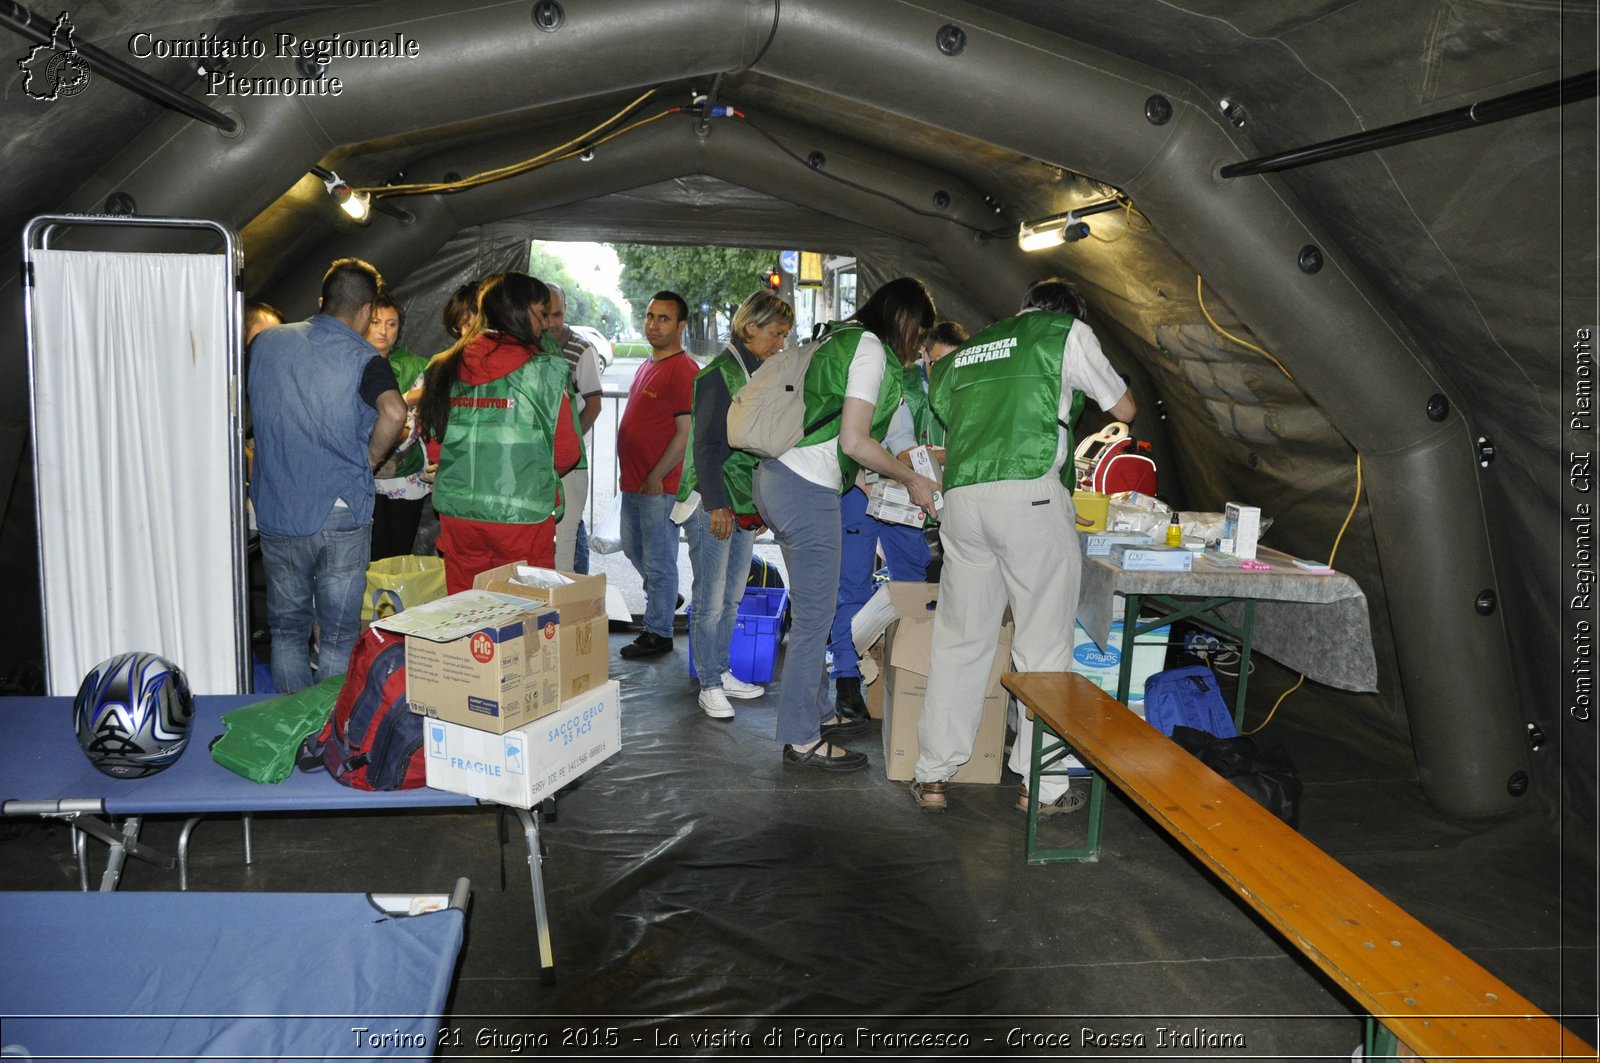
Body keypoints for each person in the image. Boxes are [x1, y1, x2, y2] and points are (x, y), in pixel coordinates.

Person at [912, 279, 1136, 813]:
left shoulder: (972, 348)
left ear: (1023, 309)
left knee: (962, 638)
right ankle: (1042, 785)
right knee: (1043, 646)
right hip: (1031, 493)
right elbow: (1123, 409)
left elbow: (948, 410)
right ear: (1069, 313)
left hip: (963, 498)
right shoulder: (1064, 333)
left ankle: (934, 776)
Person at [752, 277, 941, 772]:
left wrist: (862, 482)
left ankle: (812, 716)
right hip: (804, 490)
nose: (917, 344)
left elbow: (830, 429)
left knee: (814, 609)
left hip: (781, 477)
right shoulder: (871, 349)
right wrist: (912, 480)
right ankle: (801, 738)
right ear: (904, 319)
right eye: (918, 332)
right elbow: (856, 439)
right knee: (815, 619)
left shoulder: (837, 336)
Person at [248, 258, 407, 693]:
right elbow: (394, 411)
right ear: (366, 310)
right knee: (336, 638)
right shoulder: (364, 359)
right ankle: (326, 735)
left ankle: (292, 731)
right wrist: (370, 458)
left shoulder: (265, 343)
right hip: (340, 512)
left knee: (287, 633)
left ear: (323, 301)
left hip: (279, 510)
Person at [827, 319, 970, 719]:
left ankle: (904, 661)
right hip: (863, 487)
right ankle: (845, 674)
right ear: (922, 352)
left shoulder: (966, 388)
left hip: (909, 500)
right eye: (937, 360)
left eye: (953, 362)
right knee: (851, 581)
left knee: (911, 579)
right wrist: (939, 456)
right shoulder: (894, 379)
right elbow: (904, 450)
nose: (944, 369)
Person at [418, 272, 581, 593]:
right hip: (522, 519)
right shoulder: (544, 370)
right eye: (541, 312)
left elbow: (436, 449)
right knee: (523, 617)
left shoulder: (443, 366)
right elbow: (567, 453)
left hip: (459, 517)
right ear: (519, 312)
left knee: (467, 611)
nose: (546, 323)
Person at [676, 290, 793, 719]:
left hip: (742, 501)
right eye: (776, 334)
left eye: (784, 335)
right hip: (717, 502)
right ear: (750, 329)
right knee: (710, 598)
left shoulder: (757, 372)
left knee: (733, 596)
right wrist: (718, 504)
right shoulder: (718, 375)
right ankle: (709, 682)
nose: (780, 343)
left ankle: (720, 670)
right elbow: (705, 447)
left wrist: (756, 506)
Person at [615, 291, 698, 660]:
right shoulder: (648, 363)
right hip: (634, 482)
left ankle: (658, 632)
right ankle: (665, 596)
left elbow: (685, 434)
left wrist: (656, 476)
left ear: (681, 326)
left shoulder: (684, 371)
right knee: (634, 549)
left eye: (663, 318)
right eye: (650, 315)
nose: (653, 324)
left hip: (657, 486)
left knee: (659, 559)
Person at [543, 282, 605, 573]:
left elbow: (594, 405)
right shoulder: (532, 345)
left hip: (570, 462)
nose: (551, 323)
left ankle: (575, 589)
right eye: (544, 315)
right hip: (539, 459)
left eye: (556, 314)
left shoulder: (582, 349)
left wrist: (570, 445)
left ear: (565, 309)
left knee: (568, 535)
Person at [366, 291, 432, 561]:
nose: (383, 331)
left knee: (398, 554)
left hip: (405, 472)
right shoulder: (347, 360)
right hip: (360, 477)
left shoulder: (415, 365)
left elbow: (414, 424)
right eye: (376, 322)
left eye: (391, 324)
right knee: (367, 552)